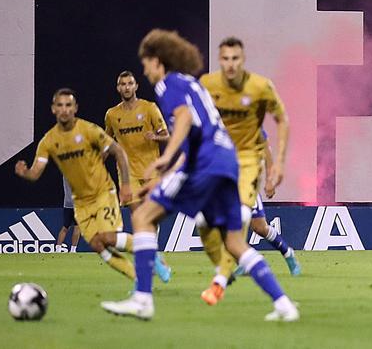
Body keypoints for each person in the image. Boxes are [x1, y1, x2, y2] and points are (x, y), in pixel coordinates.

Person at [101, 29, 299, 322]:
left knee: (143, 218)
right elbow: (199, 133)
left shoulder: (168, 86)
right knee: (234, 242)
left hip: (205, 165)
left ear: (158, 61)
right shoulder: (193, 84)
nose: (145, 70)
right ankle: (284, 304)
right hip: (225, 163)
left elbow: (184, 119)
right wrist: (168, 174)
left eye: (146, 63)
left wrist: (165, 158)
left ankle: (143, 299)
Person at [199, 36, 301, 303]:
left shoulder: (252, 113)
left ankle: (286, 254)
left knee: (258, 227)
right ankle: (234, 267)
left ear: (242, 60)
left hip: (246, 172)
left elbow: (266, 147)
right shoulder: (212, 103)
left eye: (235, 59)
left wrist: (271, 175)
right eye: (225, 59)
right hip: (221, 173)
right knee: (217, 225)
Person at [14, 88, 137, 280]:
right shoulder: (49, 141)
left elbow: (118, 152)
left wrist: (127, 185)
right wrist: (26, 173)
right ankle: (139, 277)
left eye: (68, 105)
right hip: (80, 201)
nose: (64, 109)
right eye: (60, 105)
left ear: (75, 108)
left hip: (102, 191)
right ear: (53, 109)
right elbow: (36, 173)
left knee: (107, 238)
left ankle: (149, 255)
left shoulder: (88, 130)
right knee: (97, 244)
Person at [104, 70, 173, 282]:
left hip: (151, 171)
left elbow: (168, 133)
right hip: (128, 174)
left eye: (130, 83)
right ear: (118, 88)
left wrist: (156, 136)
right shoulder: (112, 115)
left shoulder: (149, 108)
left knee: (150, 219)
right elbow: (106, 140)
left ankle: (153, 256)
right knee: (139, 218)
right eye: (122, 84)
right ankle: (153, 260)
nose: (126, 87)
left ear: (136, 86)